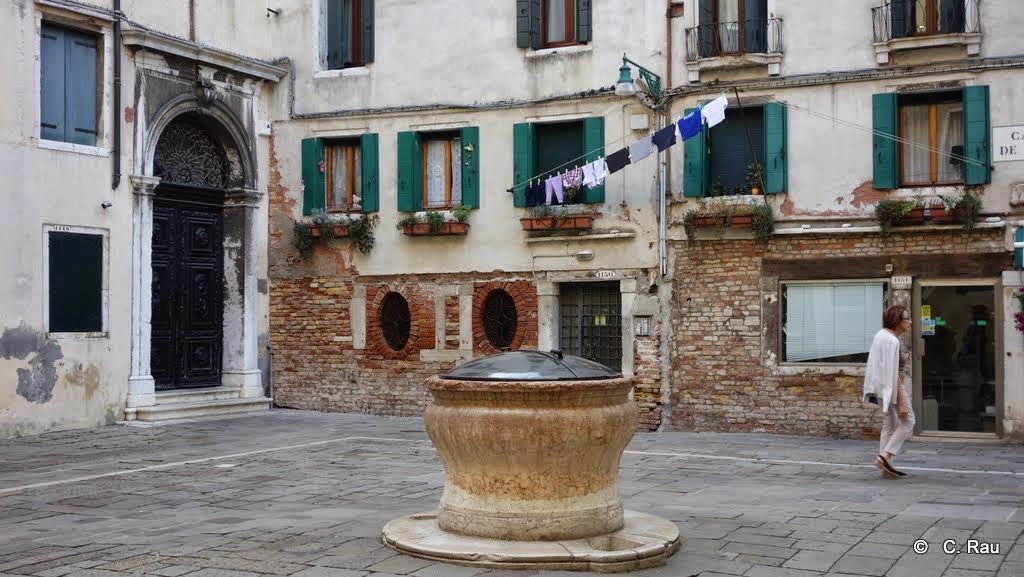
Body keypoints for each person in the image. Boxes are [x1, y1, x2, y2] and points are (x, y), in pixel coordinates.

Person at [862, 305, 914, 478]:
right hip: (892, 387)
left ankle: (887, 467)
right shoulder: (892, 341)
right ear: (897, 320)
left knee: (889, 425)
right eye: (907, 319)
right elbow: (893, 374)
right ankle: (886, 456)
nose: (910, 322)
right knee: (908, 421)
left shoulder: (880, 336)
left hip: (881, 387)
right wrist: (901, 402)